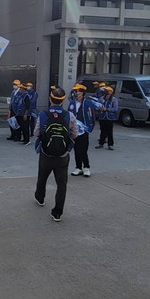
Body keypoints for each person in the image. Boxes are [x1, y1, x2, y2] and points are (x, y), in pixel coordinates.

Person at [33, 87, 78, 222]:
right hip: (63, 156)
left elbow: (36, 133)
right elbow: (74, 134)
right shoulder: (69, 116)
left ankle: (40, 198)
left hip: (46, 154)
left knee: (42, 178)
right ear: (63, 101)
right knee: (61, 184)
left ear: (50, 99)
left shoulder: (43, 114)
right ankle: (57, 212)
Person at [68, 83, 99, 176]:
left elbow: (92, 116)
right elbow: (69, 115)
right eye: (76, 93)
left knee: (83, 149)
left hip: (84, 130)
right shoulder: (72, 103)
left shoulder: (87, 103)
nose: (78, 95)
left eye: (79, 93)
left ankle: (86, 167)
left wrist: (90, 128)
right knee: (76, 149)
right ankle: (78, 167)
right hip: (74, 130)